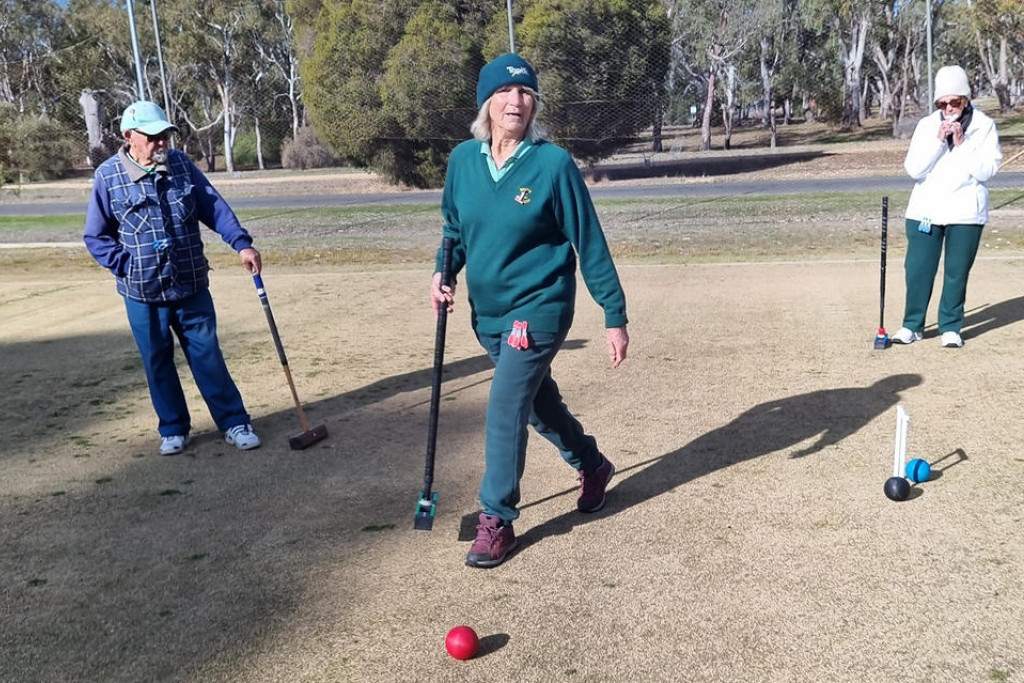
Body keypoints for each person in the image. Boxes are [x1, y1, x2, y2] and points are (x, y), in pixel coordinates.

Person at [429, 54, 630, 569]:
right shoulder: (462, 162)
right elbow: (454, 231)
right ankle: (592, 464)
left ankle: (496, 518)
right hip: (489, 315)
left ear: (534, 103)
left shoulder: (552, 165)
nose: (516, 101)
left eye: (525, 93)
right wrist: (443, 273)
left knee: (503, 406)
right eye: (505, 93)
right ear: (487, 103)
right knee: (537, 405)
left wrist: (614, 314)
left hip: (538, 309)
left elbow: (589, 242)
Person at [83, 101, 262, 456]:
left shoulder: (180, 164)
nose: (161, 143)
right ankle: (173, 428)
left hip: (190, 283)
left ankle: (234, 422)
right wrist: (125, 266)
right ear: (129, 136)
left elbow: (213, 206)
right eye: (152, 137)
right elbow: (95, 236)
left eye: (164, 135)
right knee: (157, 361)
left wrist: (241, 244)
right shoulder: (108, 176)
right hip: (142, 292)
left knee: (208, 355)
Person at [893, 65, 1002, 348]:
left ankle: (951, 327)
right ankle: (912, 325)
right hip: (925, 211)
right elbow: (914, 169)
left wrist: (962, 143)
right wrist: (939, 141)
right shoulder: (927, 126)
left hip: (966, 211)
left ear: (966, 99)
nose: (949, 108)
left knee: (956, 271)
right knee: (917, 269)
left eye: (955, 101)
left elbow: (987, 170)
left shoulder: (985, 125)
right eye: (943, 103)